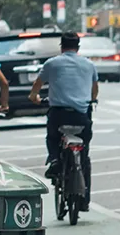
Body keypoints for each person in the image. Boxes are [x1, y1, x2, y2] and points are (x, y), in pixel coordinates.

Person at [30, 32, 97, 206]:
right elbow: (94, 90)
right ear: (78, 47)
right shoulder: (89, 64)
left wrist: (35, 97)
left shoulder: (52, 64)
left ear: (62, 46)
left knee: (52, 137)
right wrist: (91, 100)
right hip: (82, 117)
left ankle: (54, 160)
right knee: (84, 153)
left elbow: (36, 87)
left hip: (58, 115)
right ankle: (84, 200)